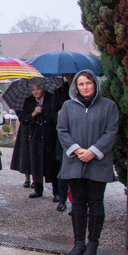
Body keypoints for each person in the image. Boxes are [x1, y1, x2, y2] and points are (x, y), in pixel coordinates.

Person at [57, 71, 119, 255]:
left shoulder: (108, 106)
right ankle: (78, 243)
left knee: (96, 203)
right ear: (76, 87)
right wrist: (77, 150)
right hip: (74, 161)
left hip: (98, 162)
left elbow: (111, 132)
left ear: (95, 84)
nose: (85, 87)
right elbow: (62, 130)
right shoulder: (68, 106)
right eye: (81, 84)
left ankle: (93, 244)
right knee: (77, 203)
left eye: (88, 83)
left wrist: (93, 151)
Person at [21, 79, 61, 202]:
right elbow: (23, 120)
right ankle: (38, 188)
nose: (36, 92)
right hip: (35, 135)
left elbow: (55, 116)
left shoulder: (51, 98)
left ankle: (56, 192)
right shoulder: (29, 101)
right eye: (33, 90)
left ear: (43, 89)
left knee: (52, 164)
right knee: (36, 162)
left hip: (50, 135)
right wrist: (33, 114)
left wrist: (47, 113)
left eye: (38, 89)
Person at [53, 73, 76, 212]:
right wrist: (58, 114)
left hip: (78, 136)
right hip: (63, 137)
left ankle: (75, 202)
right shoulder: (59, 92)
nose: (70, 77)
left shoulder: (80, 93)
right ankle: (62, 199)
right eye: (68, 75)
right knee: (63, 169)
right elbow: (52, 112)